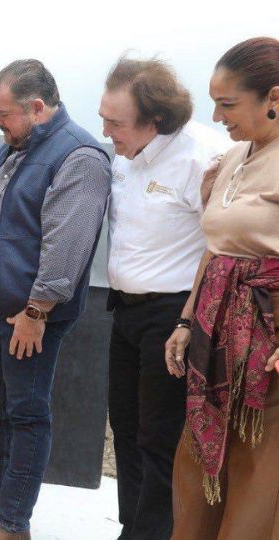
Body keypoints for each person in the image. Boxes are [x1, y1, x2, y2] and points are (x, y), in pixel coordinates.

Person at [0, 60, 111, 539]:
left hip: (30, 312)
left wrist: (37, 312)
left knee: (26, 413)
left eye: (3, 113)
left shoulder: (80, 157)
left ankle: (11, 524)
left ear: (36, 107)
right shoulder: (14, 147)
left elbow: (65, 245)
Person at [98, 56, 229, 540]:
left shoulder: (202, 158)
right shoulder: (122, 156)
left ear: (155, 120)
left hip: (172, 314)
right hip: (124, 311)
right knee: (126, 430)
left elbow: (218, 245)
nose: (107, 131)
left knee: (159, 436)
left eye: (116, 122)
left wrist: (189, 321)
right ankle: (133, 528)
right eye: (103, 119)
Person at [164, 37, 279, 540]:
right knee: (196, 481)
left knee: (258, 483)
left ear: (274, 97)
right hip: (215, 346)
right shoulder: (231, 159)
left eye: (228, 104)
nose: (217, 116)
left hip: (268, 345)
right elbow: (215, 249)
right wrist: (187, 320)